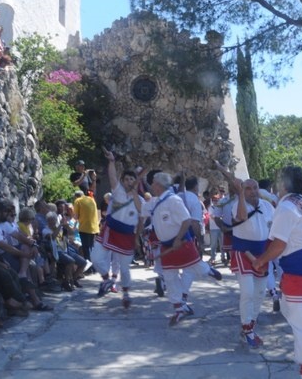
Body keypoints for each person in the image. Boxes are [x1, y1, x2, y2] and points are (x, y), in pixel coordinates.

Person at [251, 167, 302, 379]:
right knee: (288, 309)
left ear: (284, 184)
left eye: (278, 181)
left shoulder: (287, 206)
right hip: (301, 263)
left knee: (300, 322)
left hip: (297, 266)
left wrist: (261, 260)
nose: (276, 185)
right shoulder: (300, 200)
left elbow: (278, 244)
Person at [139, 172, 222, 326]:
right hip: (166, 246)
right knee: (169, 277)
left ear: (160, 185)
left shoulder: (174, 200)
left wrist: (178, 239)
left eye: (154, 183)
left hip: (182, 242)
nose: (152, 185)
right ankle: (179, 308)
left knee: (196, 268)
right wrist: (132, 192)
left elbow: (186, 220)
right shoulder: (154, 202)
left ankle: (209, 271)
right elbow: (141, 210)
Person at [91, 148, 143, 308]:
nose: (128, 181)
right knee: (95, 257)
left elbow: (141, 215)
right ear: (123, 181)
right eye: (126, 179)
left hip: (127, 235)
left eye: (131, 180)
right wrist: (111, 161)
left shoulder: (139, 199)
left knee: (125, 268)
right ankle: (107, 280)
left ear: (135, 182)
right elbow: (113, 176)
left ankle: (126, 294)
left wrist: (136, 239)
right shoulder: (117, 191)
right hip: (110, 230)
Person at [230, 178, 274, 348]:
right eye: (248, 188)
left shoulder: (268, 206)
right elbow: (241, 216)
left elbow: (275, 227)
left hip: (262, 253)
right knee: (248, 291)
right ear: (243, 191)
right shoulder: (238, 204)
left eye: (255, 188)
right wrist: (240, 194)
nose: (253, 191)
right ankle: (247, 329)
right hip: (243, 252)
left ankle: (251, 325)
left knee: (260, 292)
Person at [73, 189, 99, 263]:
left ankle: (89, 266)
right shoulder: (91, 199)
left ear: (76, 196)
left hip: (84, 228)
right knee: (91, 247)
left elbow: (76, 216)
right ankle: (94, 266)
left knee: (86, 248)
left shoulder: (78, 201)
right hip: (94, 227)